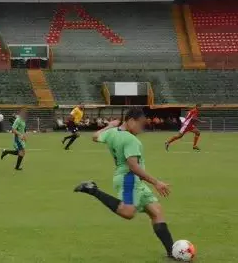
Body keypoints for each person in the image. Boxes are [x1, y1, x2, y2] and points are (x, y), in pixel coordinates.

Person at [74, 108, 175, 259]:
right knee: (128, 212)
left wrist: (109, 126)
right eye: (140, 124)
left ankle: (172, 253)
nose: (141, 129)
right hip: (129, 179)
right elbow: (134, 166)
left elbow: (95, 136)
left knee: (156, 212)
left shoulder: (113, 132)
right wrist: (156, 182)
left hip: (134, 180)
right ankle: (92, 189)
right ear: (131, 121)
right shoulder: (131, 140)